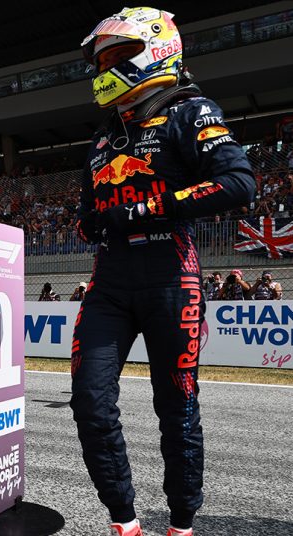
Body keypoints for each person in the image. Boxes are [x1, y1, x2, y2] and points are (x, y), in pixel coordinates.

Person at [72, 8, 255, 536]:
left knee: (177, 408)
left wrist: (144, 210)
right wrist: (90, 223)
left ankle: (181, 525)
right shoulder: (103, 137)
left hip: (173, 276)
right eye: (100, 59)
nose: (105, 67)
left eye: (116, 54)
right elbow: (87, 216)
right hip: (109, 282)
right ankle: (124, 521)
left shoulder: (191, 111)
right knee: (90, 402)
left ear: (155, 50)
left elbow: (239, 183)